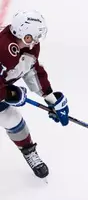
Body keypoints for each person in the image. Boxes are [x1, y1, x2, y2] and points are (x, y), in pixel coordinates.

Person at [0, 11, 70, 179]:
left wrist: (51, 98)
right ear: (21, 33)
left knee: (11, 118)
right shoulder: (3, 47)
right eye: (32, 37)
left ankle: (28, 151)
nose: (36, 42)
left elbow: (31, 70)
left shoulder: (27, 47)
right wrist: (10, 93)